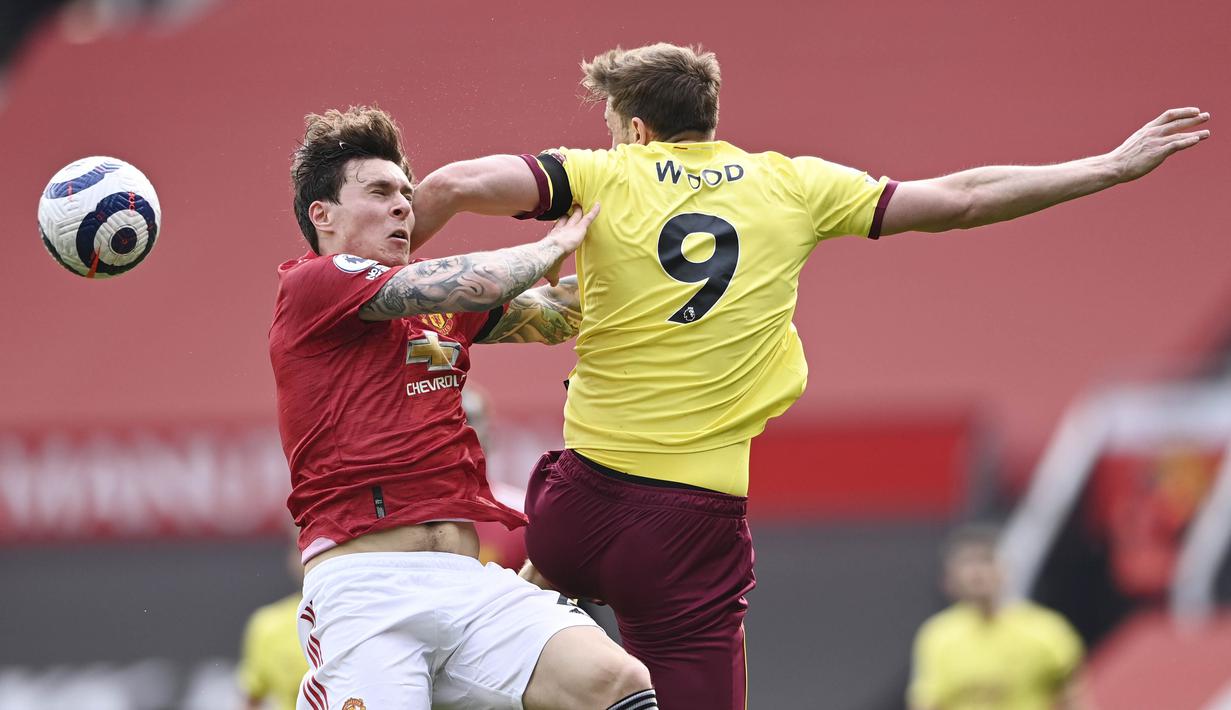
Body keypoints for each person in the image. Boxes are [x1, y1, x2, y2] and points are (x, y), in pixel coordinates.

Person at [407, 43, 1210, 710]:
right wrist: (1104, 168)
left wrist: (364, 286)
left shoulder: (603, 174)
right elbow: (961, 197)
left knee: (522, 634)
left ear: (639, 128)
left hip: (576, 503)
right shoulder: (791, 183)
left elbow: (448, 186)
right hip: (687, 527)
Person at [268, 105, 658, 710]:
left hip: (465, 584)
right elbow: (475, 279)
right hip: (367, 594)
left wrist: (668, 269)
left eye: (406, 192)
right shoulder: (313, 284)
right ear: (323, 215)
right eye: (379, 191)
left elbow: (558, 313)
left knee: (615, 681)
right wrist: (553, 241)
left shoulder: (432, 290)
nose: (404, 205)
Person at [909, 525, 1091, 710]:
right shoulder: (938, 636)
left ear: (1005, 569)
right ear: (950, 578)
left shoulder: (1047, 630)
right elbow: (927, 703)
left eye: (986, 560)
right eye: (967, 563)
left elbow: (1072, 700)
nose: (977, 572)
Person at [236, 532, 310, 710]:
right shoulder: (267, 625)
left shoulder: (363, 616)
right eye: (300, 547)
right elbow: (251, 700)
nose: (308, 555)